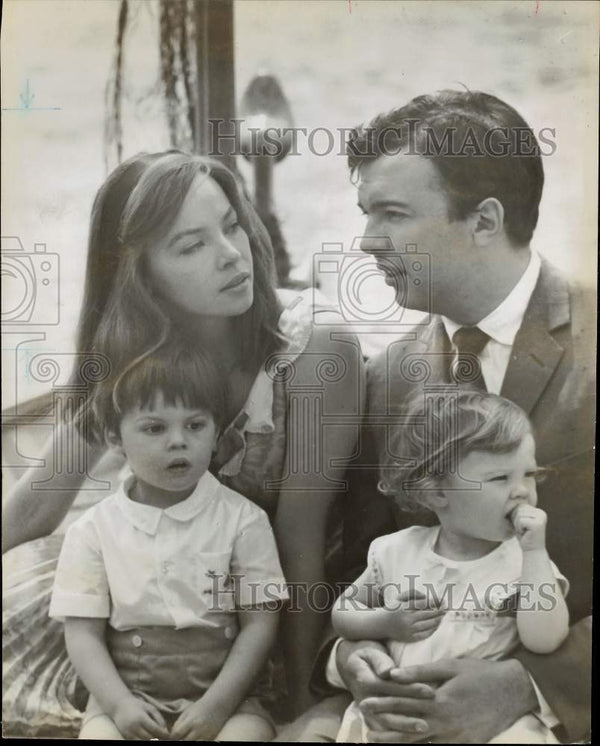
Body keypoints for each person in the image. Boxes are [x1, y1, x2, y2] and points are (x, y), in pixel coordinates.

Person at [2, 152, 364, 736]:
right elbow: (41, 502)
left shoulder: (317, 348)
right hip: (162, 580)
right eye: (191, 246)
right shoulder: (130, 349)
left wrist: (299, 698)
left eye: (231, 225)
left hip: (280, 595)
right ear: (140, 275)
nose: (230, 255)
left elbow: (303, 535)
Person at [280, 90, 594, 743]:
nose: (366, 242)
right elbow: (359, 567)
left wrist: (528, 687)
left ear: (484, 220)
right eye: (366, 214)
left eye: (392, 214)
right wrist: (350, 658)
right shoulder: (392, 376)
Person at [49, 342, 288, 740]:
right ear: (115, 438)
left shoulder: (243, 520)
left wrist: (218, 706)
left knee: (246, 736)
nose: (178, 441)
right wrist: (120, 706)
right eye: (154, 428)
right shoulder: (92, 530)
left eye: (195, 425)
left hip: (226, 696)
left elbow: (260, 624)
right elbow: (82, 634)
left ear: (215, 435)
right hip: (126, 695)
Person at [332, 391, 569, 744]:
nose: (522, 492)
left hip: (492, 722)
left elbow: (546, 639)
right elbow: (342, 611)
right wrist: (385, 621)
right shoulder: (399, 550)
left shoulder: (525, 560)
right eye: (500, 479)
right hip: (403, 711)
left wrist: (535, 553)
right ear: (436, 493)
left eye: (529, 474)